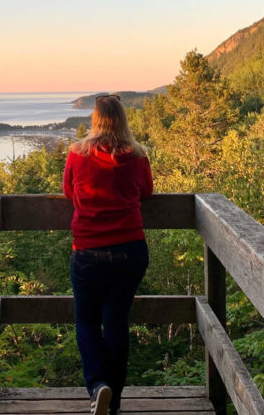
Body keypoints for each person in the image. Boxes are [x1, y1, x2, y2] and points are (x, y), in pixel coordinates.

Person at [63, 94, 153, 415]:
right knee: (116, 322)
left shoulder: (77, 154)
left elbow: (67, 191)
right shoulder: (137, 155)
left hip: (87, 251)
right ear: (123, 118)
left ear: (95, 119)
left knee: (86, 322)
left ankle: (97, 387)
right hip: (130, 251)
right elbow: (147, 192)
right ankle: (112, 403)